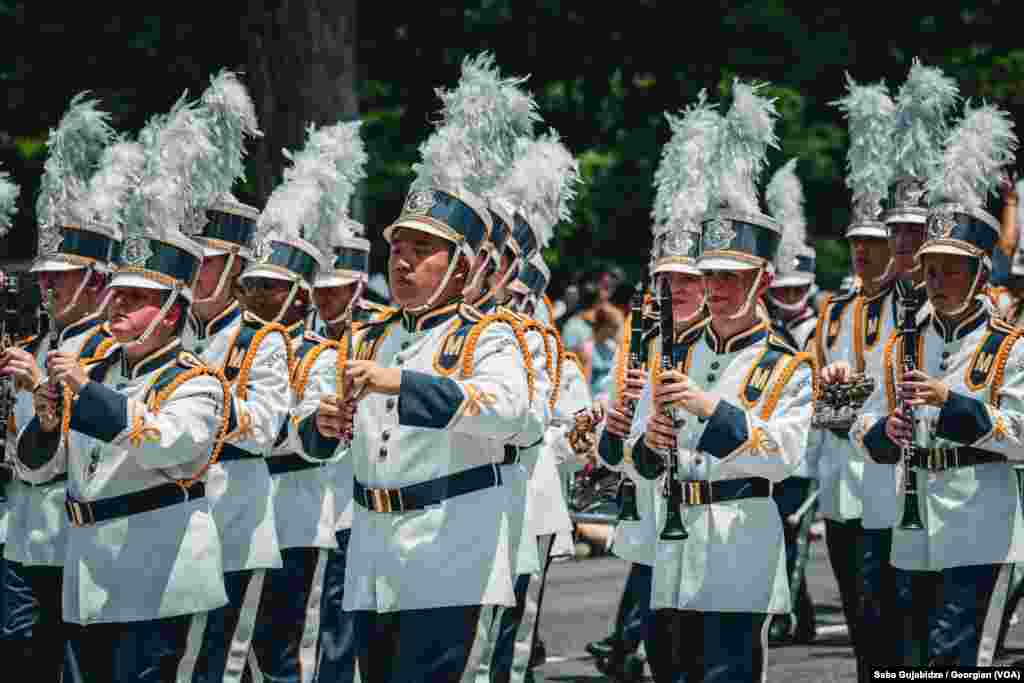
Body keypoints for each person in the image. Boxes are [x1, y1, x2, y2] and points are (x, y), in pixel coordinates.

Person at [16, 98, 235, 681]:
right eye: (117, 295)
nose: (117, 306)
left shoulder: (197, 381)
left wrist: (85, 394)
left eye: (136, 300)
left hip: (159, 578)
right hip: (88, 576)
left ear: (169, 313)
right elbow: (43, 470)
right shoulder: (97, 368)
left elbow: (166, 443)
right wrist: (43, 423)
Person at [629, 82, 814, 683]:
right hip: (671, 542)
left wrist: (709, 409)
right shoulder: (673, 350)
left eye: (733, 278)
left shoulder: (786, 363)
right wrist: (650, 446)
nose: (718, 289)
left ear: (762, 281)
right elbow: (639, 460)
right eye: (710, 276)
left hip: (739, 549)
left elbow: (783, 456)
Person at [329, 182, 535, 682]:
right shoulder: (368, 335)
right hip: (373, 551)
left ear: (462, 266)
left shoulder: (488, 334)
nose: (402, 263)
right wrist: (327, 425)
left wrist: (404, 383)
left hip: (451, 555)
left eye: (423, 251)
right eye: (397, 249)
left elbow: (515, 414)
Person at [851, 98, 1020, 666]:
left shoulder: (1009, 345)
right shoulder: (906, 339)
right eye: (933, 267)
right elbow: (865, 422)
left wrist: (953, 404)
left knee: (957, 660)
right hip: (911, 519)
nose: (940, 279)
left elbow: (1019, 433)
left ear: (979, 272)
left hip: (979, 526)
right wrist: (884, 433)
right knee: (911, 657)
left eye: (954, 268)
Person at [0, 93, 118, 681]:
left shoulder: (108, 349)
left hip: (73, 528)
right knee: (20, 653)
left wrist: (39, 386)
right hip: (22, 525)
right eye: (45, 278)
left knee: (67, 660)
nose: (47, 289)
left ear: (96, 282)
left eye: (62, 280)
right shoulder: (45, 339)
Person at [239, 121, 363, 683]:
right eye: (253, 284)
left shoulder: (323, 355)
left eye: (270, 286)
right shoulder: (229, 345)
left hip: (298, 516)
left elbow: (317, 437)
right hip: (238, 514)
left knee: (287, 651)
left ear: (297, 294)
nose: (257, 295)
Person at [763, 158, 818, 646]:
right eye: (784, 290)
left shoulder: (822, 329)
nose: (791, 297)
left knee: (794, 534)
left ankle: (795, 612)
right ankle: (790, 611)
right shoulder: (768, 330)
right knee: (777, 533)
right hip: (775, 443)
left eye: (799, 289)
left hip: (812, 446)